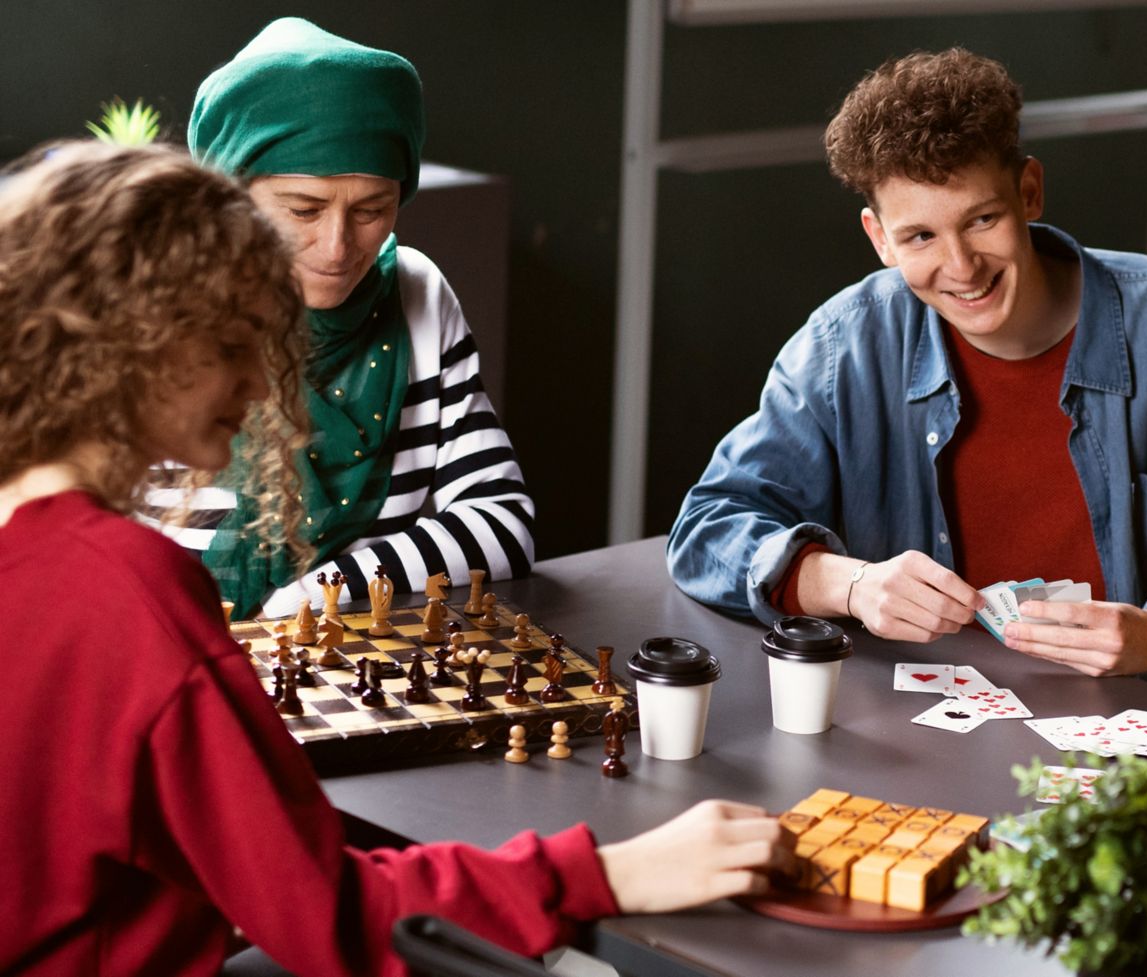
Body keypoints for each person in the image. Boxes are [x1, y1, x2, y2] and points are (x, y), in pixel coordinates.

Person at [0, 142, 791, 977]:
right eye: (235, 344)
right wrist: (612, 869)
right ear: (136, 343)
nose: (262, 384)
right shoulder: (128, 590)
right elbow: (332, 917)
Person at [667, 49, 1147, 710]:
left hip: (1139, 734)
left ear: (1029, 190)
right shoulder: (845, 344)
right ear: (879, 239)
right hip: (923, 733)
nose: (962, 268)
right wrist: (850, 585)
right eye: (919, 236)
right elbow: (706, 529)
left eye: (982, 219)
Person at [146, 17, 534, 620]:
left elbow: (500, 525)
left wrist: (320, 589)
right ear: (232, 195)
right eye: (303, 210)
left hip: (345, 676)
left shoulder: (418, 294)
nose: (337, 246)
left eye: (372, 209)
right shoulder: (142, 317)